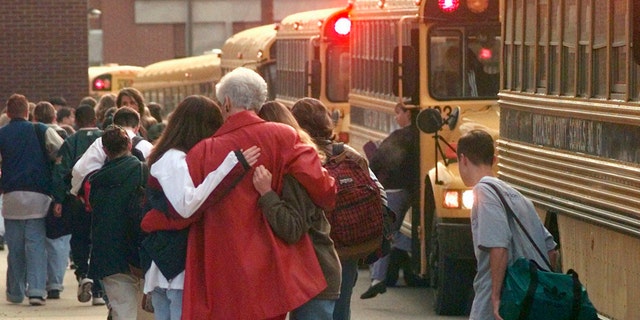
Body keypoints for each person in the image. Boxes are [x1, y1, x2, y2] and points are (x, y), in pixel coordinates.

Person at [146, 67, 336, 319]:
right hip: (271, 266)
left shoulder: (202, 151)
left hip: (218, 268)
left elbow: (184, 209)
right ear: (260, 102)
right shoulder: (284, 136)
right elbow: (323, 188)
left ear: (225, 103)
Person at [140, 95, 261, 320]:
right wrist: (231, 166)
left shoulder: (168, 157)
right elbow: (187, 206)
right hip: (176, 268)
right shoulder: (174, 159)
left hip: (166, 266)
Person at [290, 97, 386, 320]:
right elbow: (380, 195)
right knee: (341, 309)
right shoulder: (351, 155)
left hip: (314, 250)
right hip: (348, 249)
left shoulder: (301, 158)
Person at [456, 129, 558, 320]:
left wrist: (496, 299)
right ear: (494, 160)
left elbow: (498, 247)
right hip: (529, 302)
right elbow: (551, 250)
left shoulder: (483, 192)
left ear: (463, 159)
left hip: (499, 303)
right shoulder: (518, 196)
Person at [254, 101, 342, 320]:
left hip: (314, 275)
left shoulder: (295, 173)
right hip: (307, 275)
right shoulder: (300, 163)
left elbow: (293, 227)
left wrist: (267, 195)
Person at [0, 94, 64, 306]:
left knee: (15, 248)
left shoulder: (2, 134)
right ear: (28, 112)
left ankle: (15, 291)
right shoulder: (40, 130)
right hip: (38, 196)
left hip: (11, 197)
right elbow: (60, 150)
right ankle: (36, 291)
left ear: (8, 113)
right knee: (36, 245)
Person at [85, 125, 148, 319]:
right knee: (145, 312)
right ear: (129, 144)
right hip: (140, 254)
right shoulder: (143, 172)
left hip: (109, 255)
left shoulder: (96, 182)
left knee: (122, 310)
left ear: (105, 150)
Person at [361, 103, 422, 299]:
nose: (396, 118)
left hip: (393, 190)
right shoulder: (421, 136)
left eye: (398, 113)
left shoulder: (400, 137)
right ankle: (415, 246)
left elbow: (378, 159)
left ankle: (377, 279)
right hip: (410, 190)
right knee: (392, 231)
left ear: (408, 113)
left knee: (384, 233)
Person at [51, 104, 105, 305]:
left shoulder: (71, 142)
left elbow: (60, 173)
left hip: (77, 200)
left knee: (80, 238)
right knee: (100, 241)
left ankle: (84, 273)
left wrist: (58, 199)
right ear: (95, 119)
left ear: (77, 120)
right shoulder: (105, 139)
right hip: (103, 201)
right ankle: (99, 289)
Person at [32, 101, 70, 300]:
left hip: (40, 190)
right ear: (54, 117)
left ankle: (39, 280)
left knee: (39, 238)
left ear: (35, 118)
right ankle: (55, 282)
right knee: (58, 239)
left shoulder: (34, 133)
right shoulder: (65, 135)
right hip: (58, 192)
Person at [70, 106, 153, 196]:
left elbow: (78, 171)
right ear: (137, 128)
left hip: (104, 202)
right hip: (134, 205)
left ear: (113, 125)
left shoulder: (100, 142)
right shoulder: (147, 147)